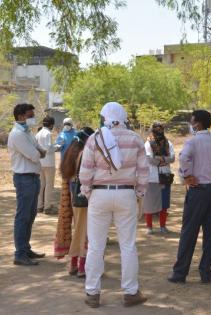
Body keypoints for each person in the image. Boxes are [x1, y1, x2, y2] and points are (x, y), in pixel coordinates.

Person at [79, 102, 149, 308]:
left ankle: (92, 293)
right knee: (127, 245)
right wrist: (139, 193)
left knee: (95, 246)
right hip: (126, 194)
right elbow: (143, 172)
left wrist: (88, 192)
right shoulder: (135, 139)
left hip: (99, 195)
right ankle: (130, 292)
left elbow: (85, 172)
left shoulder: (94, 138)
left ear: (104, 118)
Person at [168, 110, 211, 284]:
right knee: (210, 235)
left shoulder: (192, 142)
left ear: (197, 124)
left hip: (198, 191)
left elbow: (184, 158)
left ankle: (180, 273)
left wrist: (187, 176)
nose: (190, 125)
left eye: (192, 121)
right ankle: (205, 272)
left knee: (189, 233)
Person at [7, 103, 47, 266]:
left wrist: (39, 152)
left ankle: (25, 249)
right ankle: (20, 253)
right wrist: (38, 152)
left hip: (32, 178)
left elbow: (40, 150)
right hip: (24, 179)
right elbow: (35, 155)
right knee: (23, 217)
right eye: (30, 115)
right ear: (21, 116)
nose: (33, 118)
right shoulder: (17, 134)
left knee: (30, 216)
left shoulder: (26, 132)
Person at [54, 127, 95, 278]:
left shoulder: (70, 153)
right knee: (84, 231)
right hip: (84, 197)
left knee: (78, 228)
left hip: (73, 196)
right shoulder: (85, 154)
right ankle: (82, 266)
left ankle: (73, 264)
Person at [143, 122, 175, 235]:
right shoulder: (147, 144)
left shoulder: (168, 143)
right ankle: (149, 227)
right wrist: (163, 159)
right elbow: (149, 159)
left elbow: (172, 158)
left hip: (165, 176)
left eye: (160, 129)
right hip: (152, 178)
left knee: (164, 204)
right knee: (149, 204)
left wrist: (159, 159)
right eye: (156, 129)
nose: (158, 131)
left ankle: (163, 226)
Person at [36, 116, 58, 215]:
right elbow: (49, 148)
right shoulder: (48, 133)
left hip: (40, 162)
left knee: (41, 185)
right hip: (49, 163)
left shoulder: (38, 133)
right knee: (49, 185)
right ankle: (47, 207)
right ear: (51, 125)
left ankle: (39, 206)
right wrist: (57, 146)